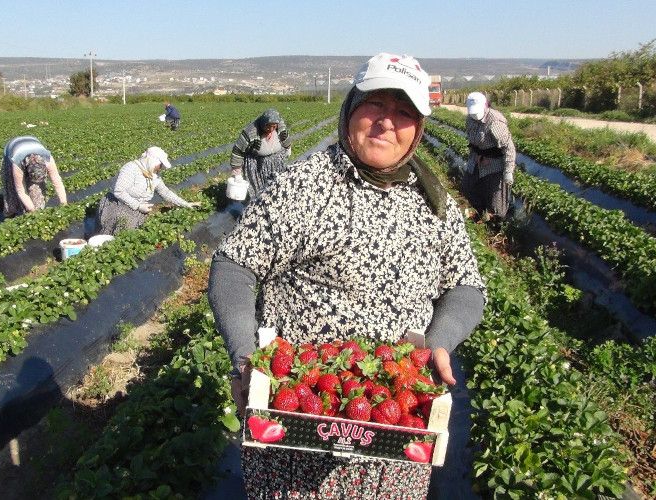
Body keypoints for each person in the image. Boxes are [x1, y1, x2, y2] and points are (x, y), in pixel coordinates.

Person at [208, 53, 486, 498]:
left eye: (404, 112)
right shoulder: (302, 186)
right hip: (295, 428)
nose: (386, 123)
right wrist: (245, 357)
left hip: (392, 433)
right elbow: (234, 265)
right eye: (375, 104)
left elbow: (466, 286)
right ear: (350, 109)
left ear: (419, 128)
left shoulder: (435, 205)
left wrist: (440, 341)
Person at [95, 146, 199, 235]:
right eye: (160, 165)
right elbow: (119, 191)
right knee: (120, 231)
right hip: (118, 206)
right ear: (152, 161)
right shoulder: (131, 168)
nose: (161, 168)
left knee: (134, 232)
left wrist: (186, 204)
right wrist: (138, 206)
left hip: (137, 209)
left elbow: (165, 192)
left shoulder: (154, 175)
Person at [462, 91, 516, 223]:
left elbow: (509, 148)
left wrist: (508, 172)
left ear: (486, 105)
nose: (475, 115)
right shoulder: (470, 119)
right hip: (476, 161)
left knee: (496, 203)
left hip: (494, 165)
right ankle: (480, 215)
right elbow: (474, 142)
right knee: (469, 188)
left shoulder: (495, 121)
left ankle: (497, 223)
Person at [229, 108, 292, 197]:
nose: (271, 129)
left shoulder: (279, 125)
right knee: (260, 189)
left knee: (277, 185)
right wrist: (237, 172)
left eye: (274, 126)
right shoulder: (251, 132)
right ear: (263, 123)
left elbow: (284, 136)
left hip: (276, 160)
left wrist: (288, 147)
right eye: (268, 126)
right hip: (257, 164)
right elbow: (238, 151)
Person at [0, 136, 68, 217]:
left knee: (37, 192)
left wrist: (64, 203)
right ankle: (12, 213)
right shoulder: (17, 163)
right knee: (12, 188)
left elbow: (57, 181)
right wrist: (32, 210)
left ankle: (34, 207)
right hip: (12, 149)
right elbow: (20, 190)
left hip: (32, 145)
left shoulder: (48, 159)